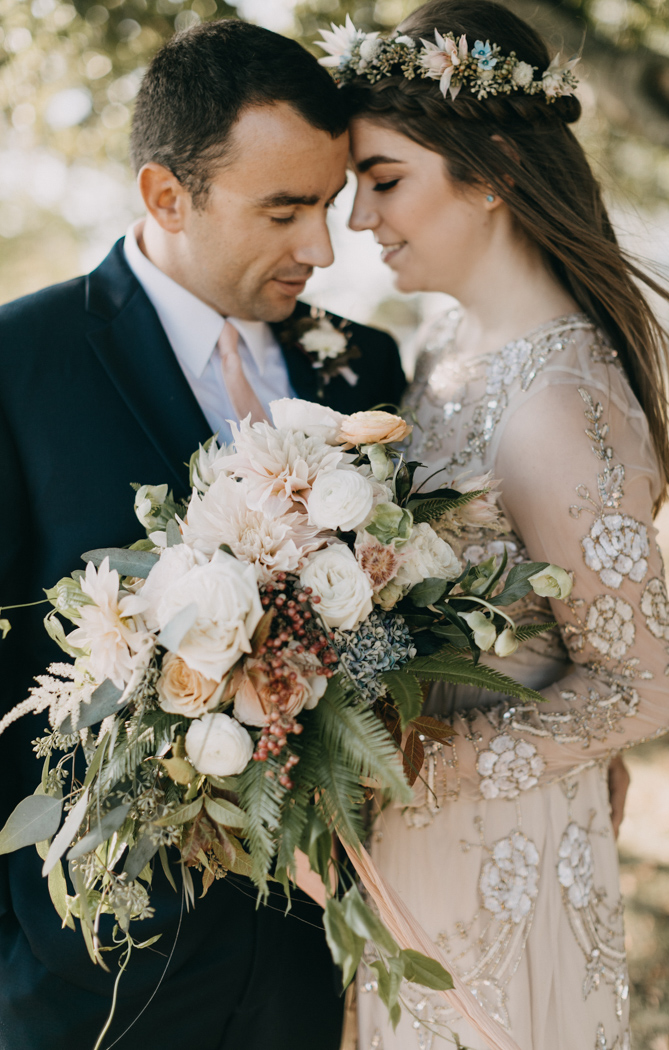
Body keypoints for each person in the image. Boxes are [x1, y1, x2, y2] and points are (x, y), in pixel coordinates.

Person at [0, 19, 404, 1050]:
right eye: (284, 209)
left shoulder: (360, 371)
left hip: (302, 966)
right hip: (82, 978)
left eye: (325, 202)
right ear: (166, 196)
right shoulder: (21, 365)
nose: (321, 246)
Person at [324, 1, 669, 1046]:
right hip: (414, 844)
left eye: (383, 180)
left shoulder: (553, 401)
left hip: (493, 849)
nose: (360, 220)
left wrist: (412, 760)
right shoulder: (444, 341)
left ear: (486, 170)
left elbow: (641, 684)